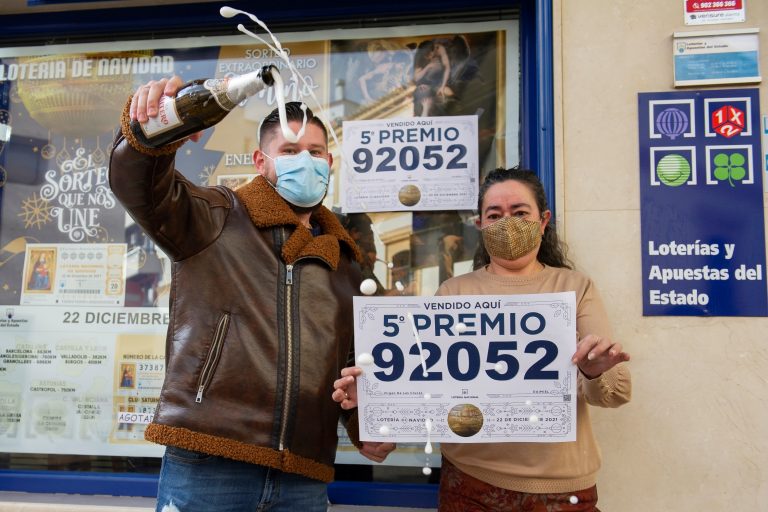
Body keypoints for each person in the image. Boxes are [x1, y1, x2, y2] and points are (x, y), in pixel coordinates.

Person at [110, 76, 395, 512]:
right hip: (209, 460)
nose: (307, 161)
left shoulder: (349, 267)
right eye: (290, 151)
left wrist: (369, 423)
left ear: (330, 161)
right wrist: (155, 128)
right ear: (262, 161)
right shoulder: (214, 217)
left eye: (315, 152)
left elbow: (359, 370)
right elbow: (139, 187)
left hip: (304, 474)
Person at [334, 167, 631, 511]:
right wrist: (378, 401)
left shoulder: (574, 287)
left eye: (520, 213)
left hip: (563, 488)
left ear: (543, 219)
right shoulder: (453, 292)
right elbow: (429, 383)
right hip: (471, 483)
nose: (508, 223)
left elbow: (616, 393)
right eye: (495, 214)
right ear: (480, 224)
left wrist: (594, 371)